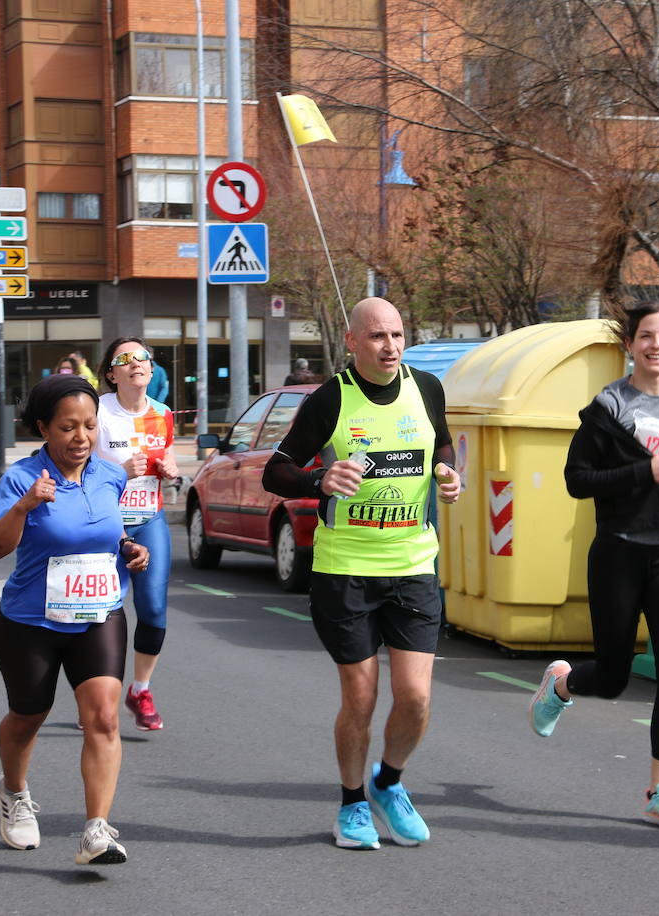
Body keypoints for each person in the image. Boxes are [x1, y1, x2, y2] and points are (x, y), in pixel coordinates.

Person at [527, 300, 659, 832]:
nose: (657, 346)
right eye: (647, 336)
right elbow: (578, 480)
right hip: (617, 551)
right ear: (631, 345)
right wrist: (644, 470)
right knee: (616, 678)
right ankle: (562, 685)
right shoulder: (608, 408)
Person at [263, 297, 462, 851]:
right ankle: (351, 804)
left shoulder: (427, 389)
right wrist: (319, 481)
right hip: (345, 569)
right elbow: (276, 471)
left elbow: (442, 447)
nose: (391, 346)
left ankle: (388, 783)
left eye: (397, 335)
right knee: (360, 698)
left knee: (416, 697)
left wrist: (449, 473)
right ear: (352, 342)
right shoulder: (331, 399)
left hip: (414, 563)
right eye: (377, 337)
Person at [0, 373, 149, 865]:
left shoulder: (110, 475)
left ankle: (97, 829)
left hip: (99, 613)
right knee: (29, 715)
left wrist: (129, 548)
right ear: (44, 429)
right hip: (30, 621)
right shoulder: (19, 479)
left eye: (90, 426)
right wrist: (27, 504)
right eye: (68, 427)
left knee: (101, 717)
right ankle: (13, 793)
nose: (81, 438)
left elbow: (108, 535)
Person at [94, 339, 180, 731]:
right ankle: (96, 695)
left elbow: (171, 455)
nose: (135, 364)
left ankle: (140, 690)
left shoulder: (162, 413)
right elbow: (75, 464)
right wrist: (119, 471)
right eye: (124, 360)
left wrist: (170, 470)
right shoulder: (97, 411)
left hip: (149, 517)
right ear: (111, 373)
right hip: (104, 522)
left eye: (142, 357)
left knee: (154, 609)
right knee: (102, 612)